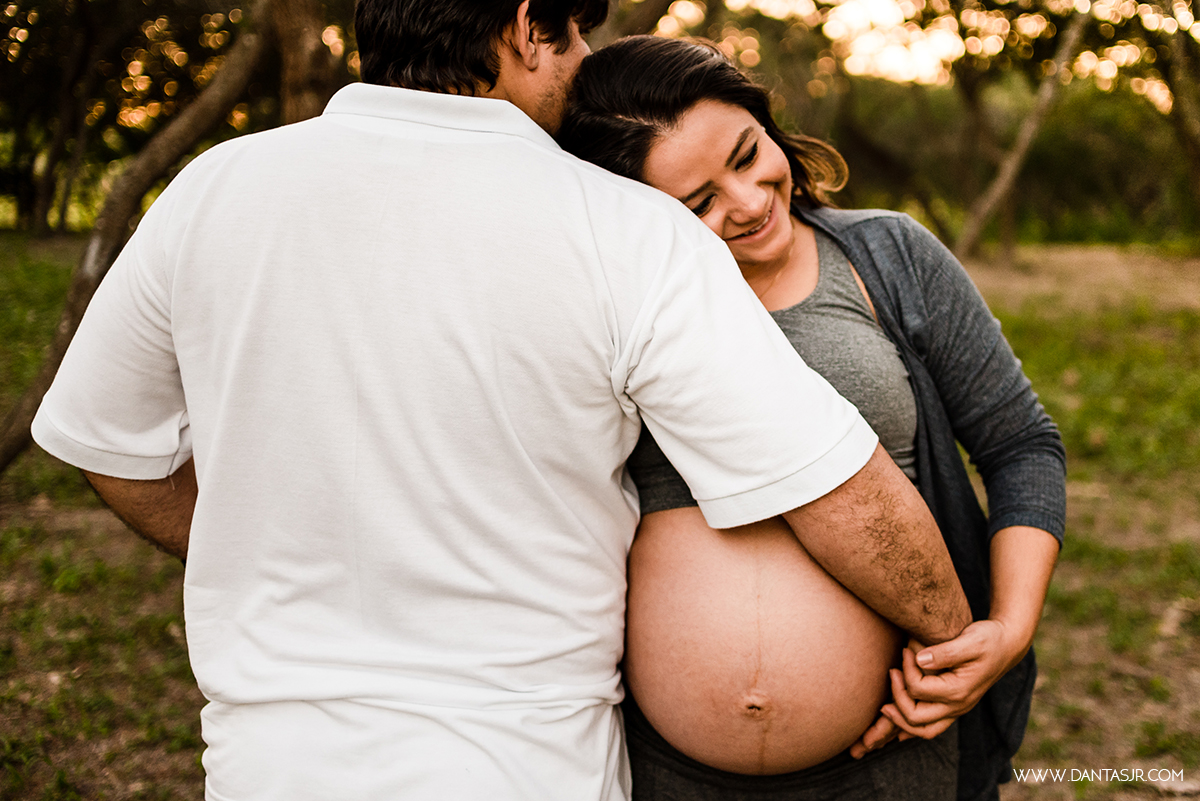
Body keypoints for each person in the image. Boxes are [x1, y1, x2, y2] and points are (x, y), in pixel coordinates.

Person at [31, 3, 977, 800]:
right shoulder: (625, 229)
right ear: (527, 27)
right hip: (530, 763)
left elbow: (106, 443)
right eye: (573, 41)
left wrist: (269, 540)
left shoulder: (213, 192)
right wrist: (951, 640)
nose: (578, 75)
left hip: (271, 765)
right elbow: (834, 484)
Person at [556, 35, 1066, 801]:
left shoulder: (887, 257)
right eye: (699, 203)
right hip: (662, 771)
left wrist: (1008, 628)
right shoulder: (612, 313)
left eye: (747, 152)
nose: (751, 201)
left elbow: (1021, 444)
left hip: (892, 759)